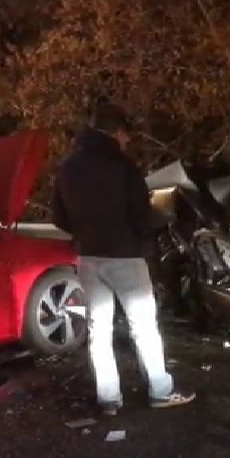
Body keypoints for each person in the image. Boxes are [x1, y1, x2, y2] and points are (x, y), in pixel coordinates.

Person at [52, 99, 195, 416]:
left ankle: (109, 400)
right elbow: (141, 214)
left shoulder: (68, 167)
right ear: (116, 133)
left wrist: (84, 232)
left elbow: (59, 216)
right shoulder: (123, 167)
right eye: (126, 135)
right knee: (143, 326)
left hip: (89, 257)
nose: (127, 140)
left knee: (98, 330)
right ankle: (160, 390)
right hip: (126, 256)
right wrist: (146, 246)